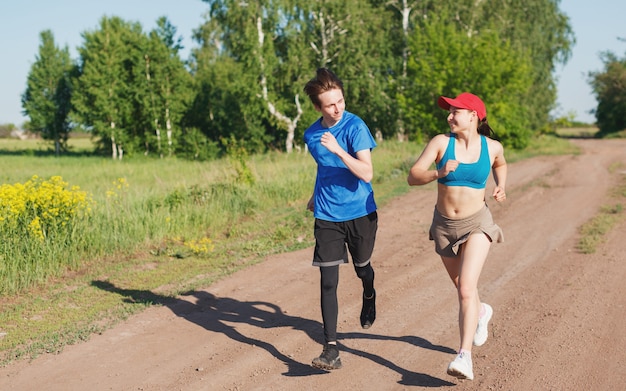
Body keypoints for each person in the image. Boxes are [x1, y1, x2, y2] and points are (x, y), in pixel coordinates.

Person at [407, 92, 507, 380]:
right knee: (464, 289)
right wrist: (438, 173)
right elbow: (413, 176)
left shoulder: (492, 147)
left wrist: (501, 185)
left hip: (477, 223)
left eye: (455, 111)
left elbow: (500, 164)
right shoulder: (441, 143)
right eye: (449, 112)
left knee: (465, 288)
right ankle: (482, 311)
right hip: (444, 227)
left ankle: (464, 356)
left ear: (473, 115)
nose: (449, 116)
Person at [303, 68, 378, 370]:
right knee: (327, 281)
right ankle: (331, 348)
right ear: (318, 107)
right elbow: (324, 169)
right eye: (330, 105)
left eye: (341, 101)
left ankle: (369, 293)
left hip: (360, 211)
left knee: (362, 268)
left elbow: (367, 172)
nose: (338, 108)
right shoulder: (311, 135)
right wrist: (314, 195)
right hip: (327, 214)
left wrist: (338, 148)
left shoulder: (355, 127)